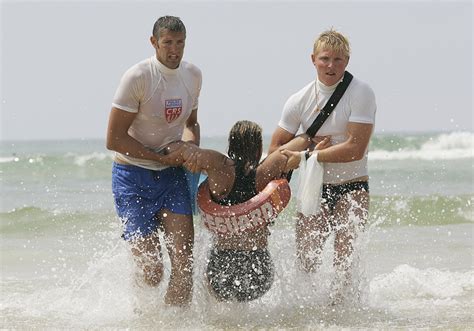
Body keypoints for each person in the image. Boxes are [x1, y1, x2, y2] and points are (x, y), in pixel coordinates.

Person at [268, 29, 376, 301]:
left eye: (338, 60)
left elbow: (356, 147)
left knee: (345, 263)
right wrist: (305, 141)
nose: (331, 66)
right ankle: (311, 318)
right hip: (313, 187)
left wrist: (308, 156)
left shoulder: (360, 92)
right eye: (325, 59)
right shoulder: (299, 99)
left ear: (347, 61)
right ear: (313, 59)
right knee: (306, 261)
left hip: (352, 186)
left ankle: (341, 317)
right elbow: (275, 151)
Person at [106, 16, 202, 306]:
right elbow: (114, 139)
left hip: (172, 177)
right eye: (168, 43)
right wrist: (158, 156)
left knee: (184, 263)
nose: (175, 50)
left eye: (180, 43)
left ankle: (175, 324)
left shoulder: (193, 75)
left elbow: (192, 123)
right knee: (152, 271)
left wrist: (189, 148)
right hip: (131, 176)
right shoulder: (137, 77)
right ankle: (144, 317)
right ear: (154, 43)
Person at [163, 120, 307, 302]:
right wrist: (309, 139)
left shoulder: (220, 170)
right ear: (258, 148)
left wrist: (178, 149)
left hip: (221, 265)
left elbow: (188, 153)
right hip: (259, 267)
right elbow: (296, 145)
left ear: (231, 144)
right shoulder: (264, 173)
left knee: (222, 314)